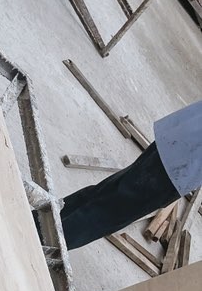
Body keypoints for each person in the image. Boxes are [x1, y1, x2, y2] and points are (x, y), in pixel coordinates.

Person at [60, 100, 202, 249]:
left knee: (105, 194)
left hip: (180, 137)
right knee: (107, 213)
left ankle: (45, 223)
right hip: (185, 164)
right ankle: (45, 244)